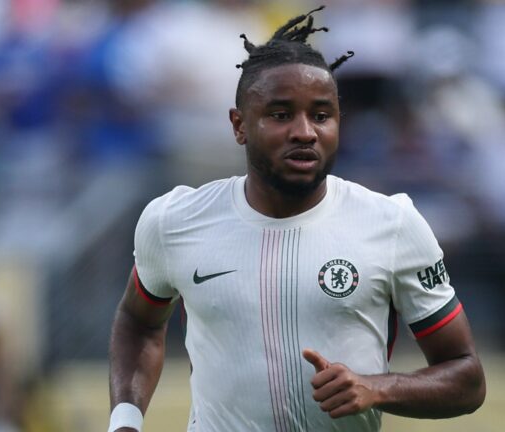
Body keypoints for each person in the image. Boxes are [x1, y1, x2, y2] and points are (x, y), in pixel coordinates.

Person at [108, 6, 485, 432]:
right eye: (281, 114)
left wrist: (378, 388)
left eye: (321, 115)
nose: (305, 132)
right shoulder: (174, 221)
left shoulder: (392, 223)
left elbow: (467, 377)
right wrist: (125, 421)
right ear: (239, 125)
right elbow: (138, 322)